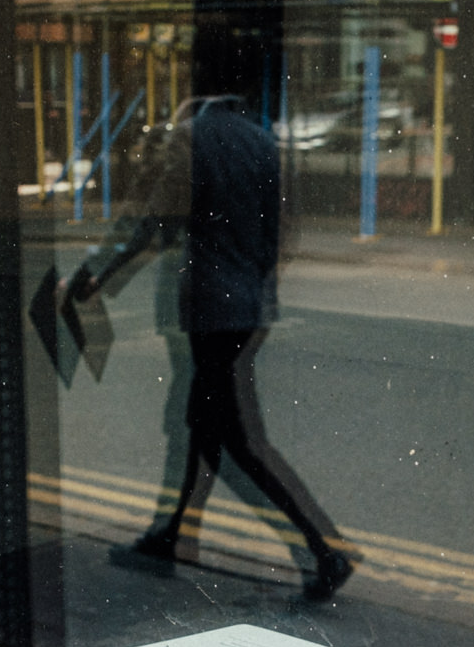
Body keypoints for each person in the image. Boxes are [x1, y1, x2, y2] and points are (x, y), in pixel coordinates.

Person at [63, 95, 355, 601]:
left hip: (210, 309)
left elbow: (154, 219)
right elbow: (280, 231)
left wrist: (98, 275)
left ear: (188, 108)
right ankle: (170, 536)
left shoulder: (191, 136)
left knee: (232, 439)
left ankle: (322, 553)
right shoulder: (263, 142)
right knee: (201, 427)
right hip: (248, 308)